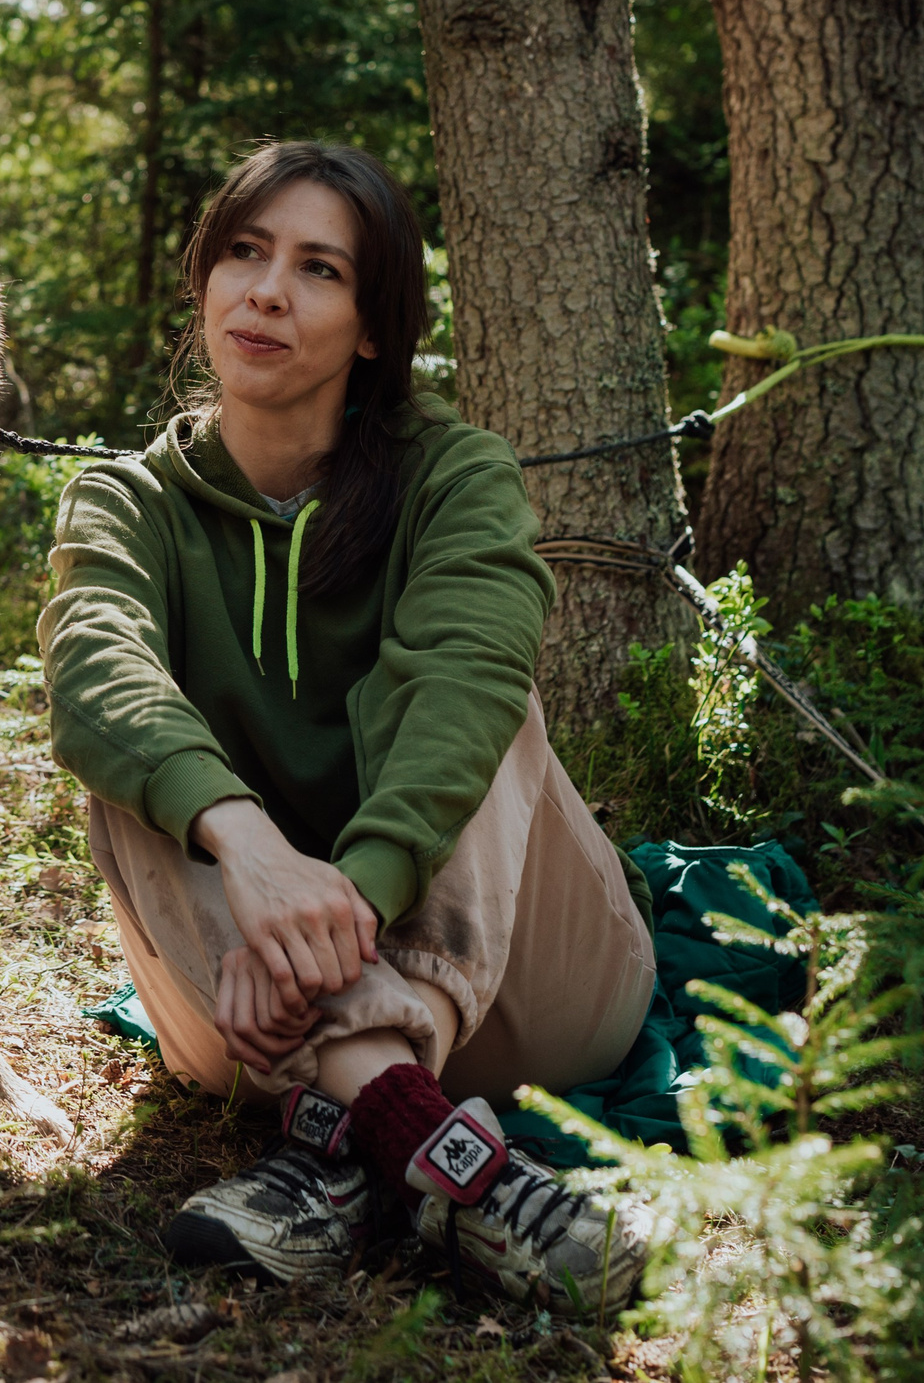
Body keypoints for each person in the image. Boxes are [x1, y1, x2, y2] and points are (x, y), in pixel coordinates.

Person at [38, 142, 659, 1308]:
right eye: (243, 251)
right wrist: (254, 851)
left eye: (318, 268)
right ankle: (426, 1143)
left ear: (373, 327)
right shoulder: (126, 500)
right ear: (203, 282)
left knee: (486, 702)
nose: (266, 290)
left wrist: (355, 897)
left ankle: (349, 1125)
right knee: (127, 757)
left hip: (528, 992)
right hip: (244, 1010)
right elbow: (92, 666)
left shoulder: (454, 476)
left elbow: (470, 667)